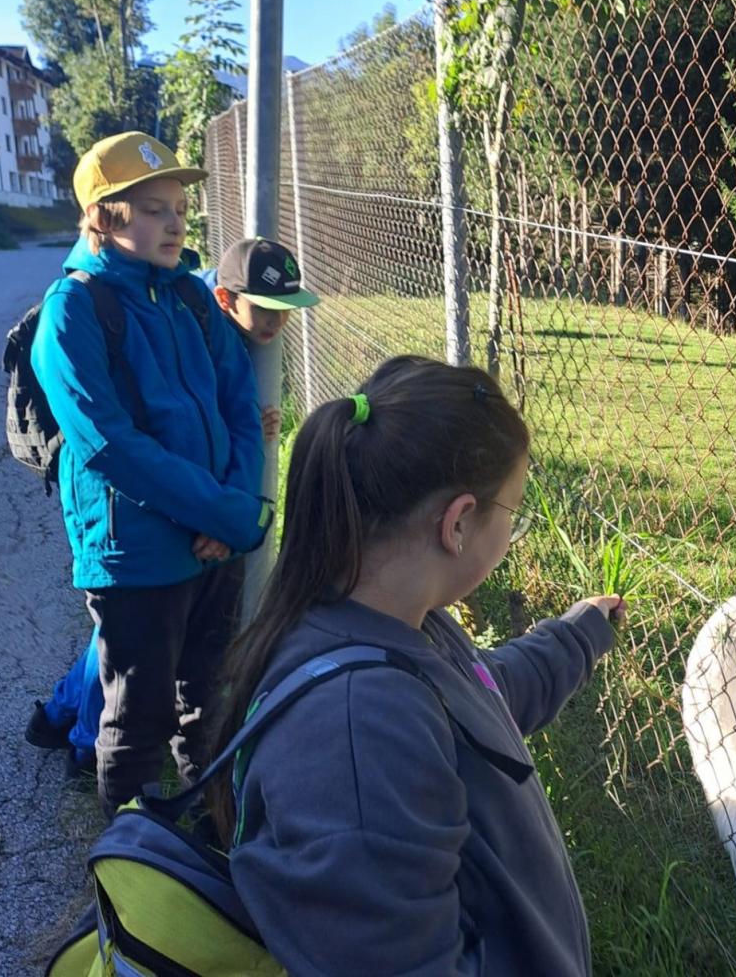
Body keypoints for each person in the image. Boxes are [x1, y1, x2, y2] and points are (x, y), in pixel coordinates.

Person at [205, 354, 626, 975]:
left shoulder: (397, 625)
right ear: (458, 523)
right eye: (512, 512)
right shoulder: (358, 738)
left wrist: (574, 638)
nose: (511, 533)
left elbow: (480, 699)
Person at [29, 131, 273, 816]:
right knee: (139, 719)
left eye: (180, 209)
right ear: (103, 217)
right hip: (137, 556)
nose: (176, 224)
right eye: (153, 209)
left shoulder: (191, 298)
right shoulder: (73, 309)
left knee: (210, 707)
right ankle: (131, 865)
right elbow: (109, 444)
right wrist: (224, 515)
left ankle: (214, 840)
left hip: (215, 543)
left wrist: (235, 508)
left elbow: (240, 405)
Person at [26, 236, 318, 775]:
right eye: (266, 309)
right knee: (129, 659)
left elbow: (229, 415)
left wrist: (232, 504)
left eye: (285, 310)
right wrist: (227, 516)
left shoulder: (200, 310)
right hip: (151, 523)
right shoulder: (149, 310)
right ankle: (84, 741)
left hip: (204, 520)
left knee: (154, 657)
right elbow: (127, 440)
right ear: (228, 299)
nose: (277, 323)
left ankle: (58, 717)